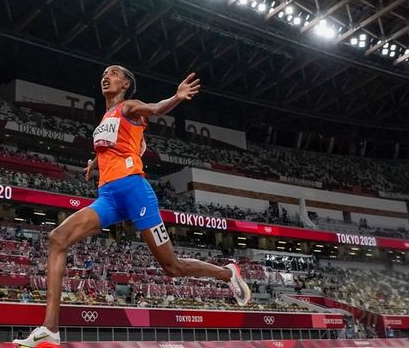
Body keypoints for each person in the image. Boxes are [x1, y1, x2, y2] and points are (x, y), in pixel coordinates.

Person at [14, 65, 250, 347]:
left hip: (135, 192)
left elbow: (155, 109)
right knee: (58, 239)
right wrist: (95, 163)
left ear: (125, 84)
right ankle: (50, 329)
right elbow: (118, 146)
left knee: (171, 267)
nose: (106, 76)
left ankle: (227, 273)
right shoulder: (105, 118)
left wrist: (175, 98)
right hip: (108, 198)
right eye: (104, 73)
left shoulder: (129, 106)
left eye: (114, 73)